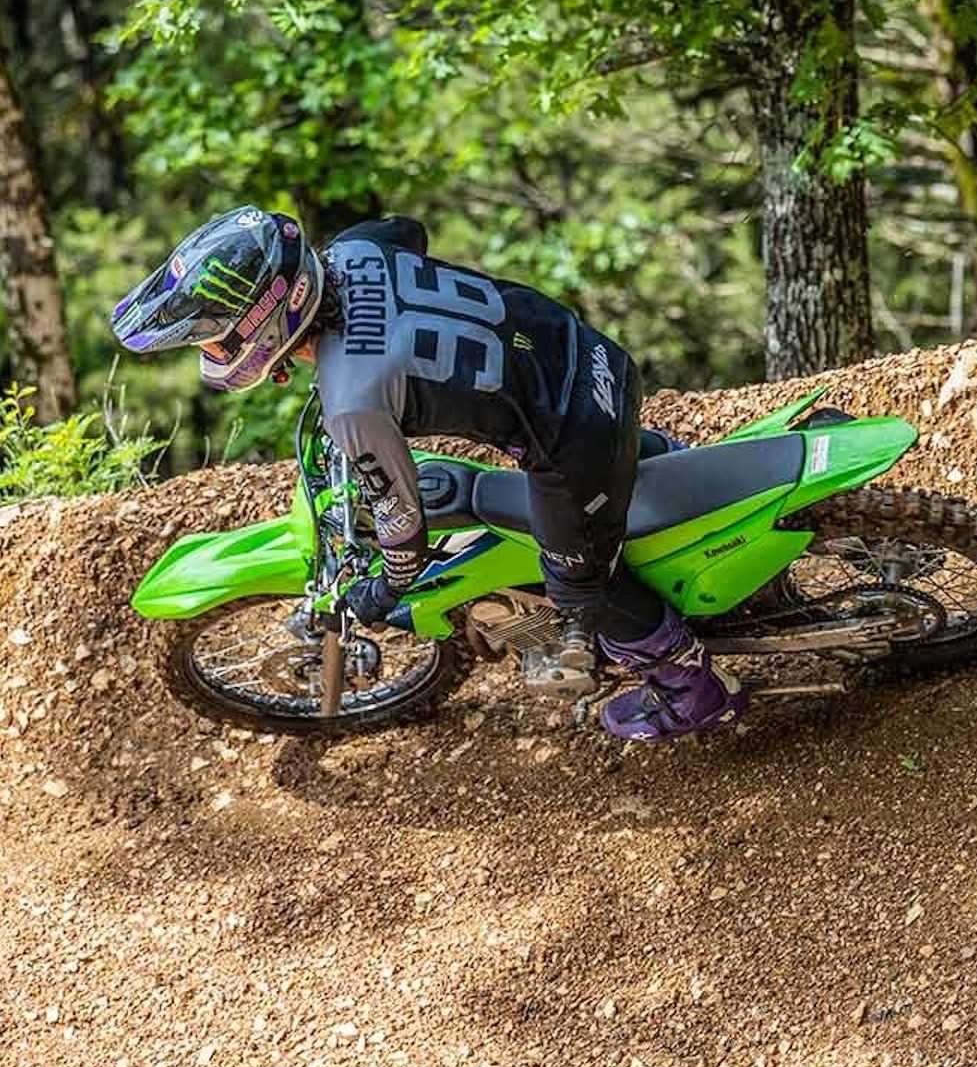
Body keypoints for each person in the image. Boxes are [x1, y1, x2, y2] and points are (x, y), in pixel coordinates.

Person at [110, 205, 746, 742]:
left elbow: (402, 528)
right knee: (604, 486)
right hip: (585, 348)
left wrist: (384, 593)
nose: (210, 351)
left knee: (580, 587)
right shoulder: (354, 251)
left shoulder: (354, 403)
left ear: (264, 325)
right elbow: (405, 229)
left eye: (213, 339)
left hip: (575, 430)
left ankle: (692, 689)